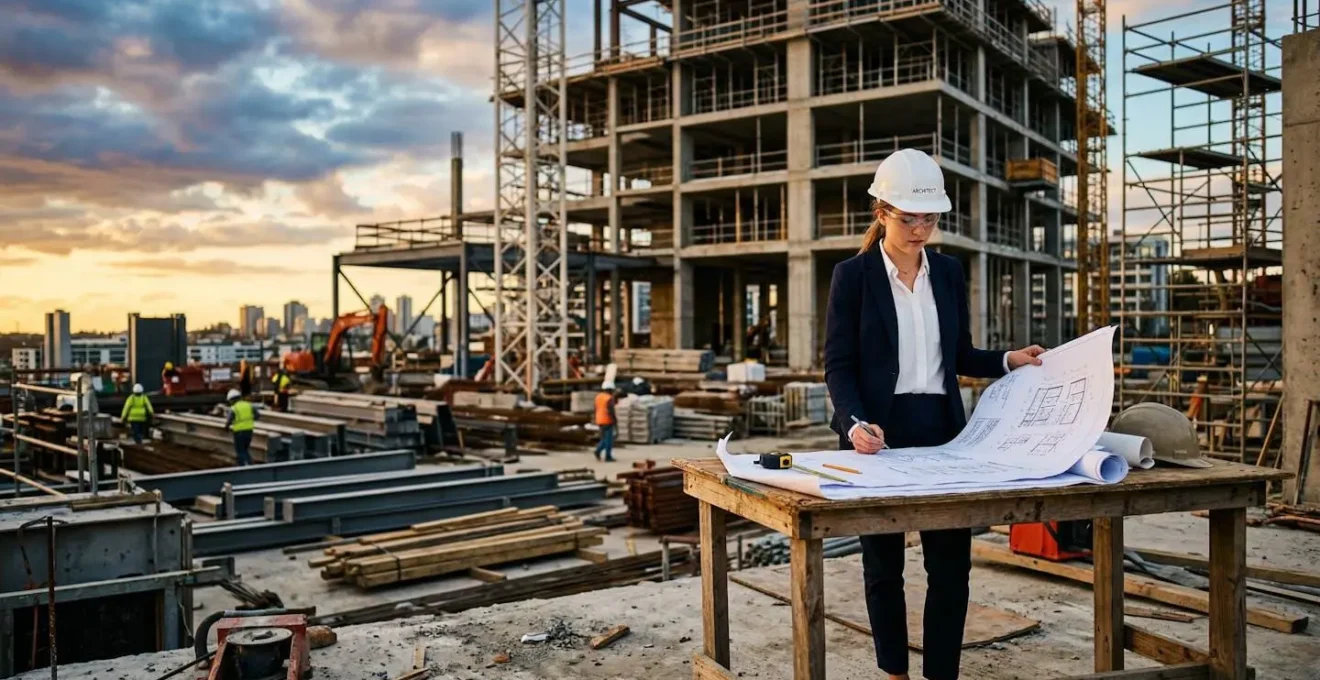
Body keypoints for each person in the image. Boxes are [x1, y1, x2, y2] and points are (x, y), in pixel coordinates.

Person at [823, 148, 1046, 680]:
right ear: (881, 213)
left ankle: (941, 674)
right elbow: (838, 364)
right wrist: (853, 423)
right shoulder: (852, 277)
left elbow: (961, 356)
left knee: (951, 569)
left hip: (944, 433)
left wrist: (1008, 360)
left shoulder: (947, 272)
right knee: (884, 568)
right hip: (877, 434)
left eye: (929, 218)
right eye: (908, 218)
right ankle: (895, 674)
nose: (920, 229)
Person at [224, 389, 259, 466]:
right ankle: (243, 464)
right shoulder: (249, 405)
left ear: (232, 400)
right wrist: (250, 420)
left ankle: (248, 465)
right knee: (245, 449)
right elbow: (257, 415)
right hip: (249, 431)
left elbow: (229, 420)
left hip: (239, 432)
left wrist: (226, 427)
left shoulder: (233, 408)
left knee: (240, 451)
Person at [593, 384, 618, 462]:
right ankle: (607, 456)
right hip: (607, 420)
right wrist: (615, 420)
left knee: (604, 438)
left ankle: (598, 451)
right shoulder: (609, 398)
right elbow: (611, 411)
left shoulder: (598, 397)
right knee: (609, 439)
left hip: (599, 420)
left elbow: (595, 408)